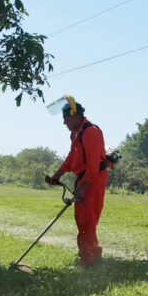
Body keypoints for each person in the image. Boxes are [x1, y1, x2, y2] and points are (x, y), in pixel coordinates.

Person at [46, 97, 108, 268]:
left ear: (75, 116)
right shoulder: (76, 134)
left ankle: (88, 262)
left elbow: (94, 166)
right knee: (83, 221)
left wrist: (82, 188)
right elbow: (71, 158)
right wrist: (56, 176)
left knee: (87, 222)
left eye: (65, 119)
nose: (64, 123)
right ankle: (92, 258)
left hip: (93, 181)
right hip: (85, 180)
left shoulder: (90, 132)